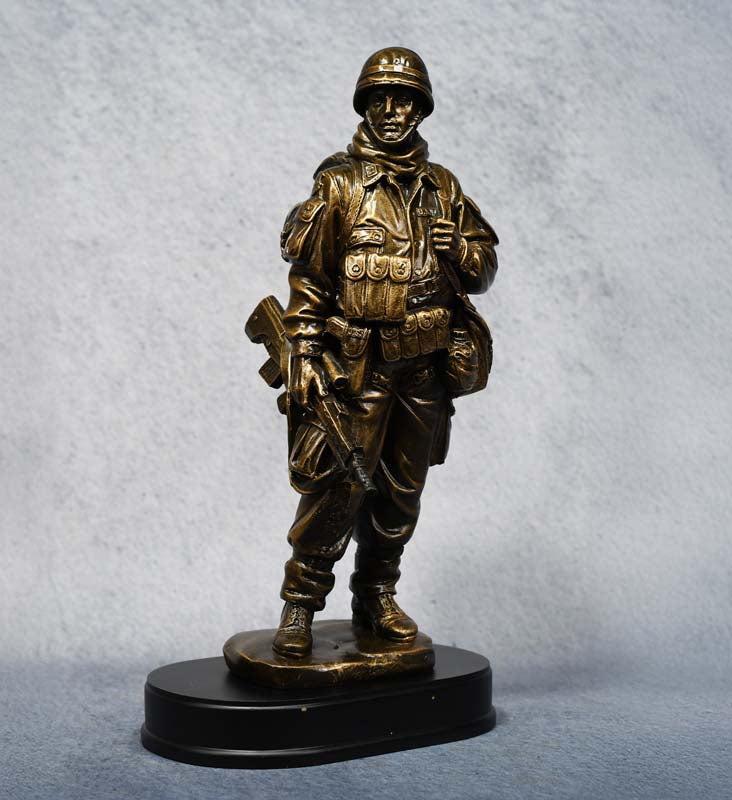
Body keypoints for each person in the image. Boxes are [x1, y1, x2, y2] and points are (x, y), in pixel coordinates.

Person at [273, 47, 499, 658]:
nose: (393, 111)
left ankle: (376, 595)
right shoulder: (340, 184)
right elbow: (310, 279)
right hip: (360, 367)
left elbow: (483, 269)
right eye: (381, 100)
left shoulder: (443, 188)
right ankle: (300, 603)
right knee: (337, 486)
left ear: (421, 111)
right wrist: (304, 350)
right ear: (365, 106)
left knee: (402, 490)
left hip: (425, 367)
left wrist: (460, 250)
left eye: (405, 101)